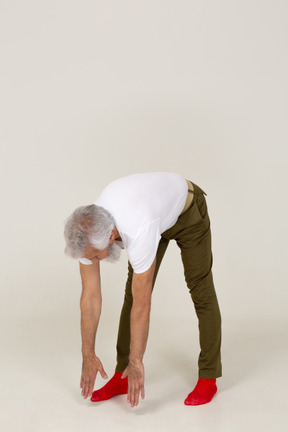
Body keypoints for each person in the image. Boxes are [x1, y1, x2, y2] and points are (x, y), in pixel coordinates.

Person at [64, 172, 222, 408]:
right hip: (155, 212)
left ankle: (209, 376)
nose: (94, 261)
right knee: (131, 292)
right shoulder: (87, 233)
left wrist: (137, 360)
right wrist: (88, 353)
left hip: (187, 212)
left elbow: (143, 304)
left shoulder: (137, 226)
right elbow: (90, 298)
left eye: (96, 256)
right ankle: (121, 375)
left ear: (111, 236)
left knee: (200, 289)